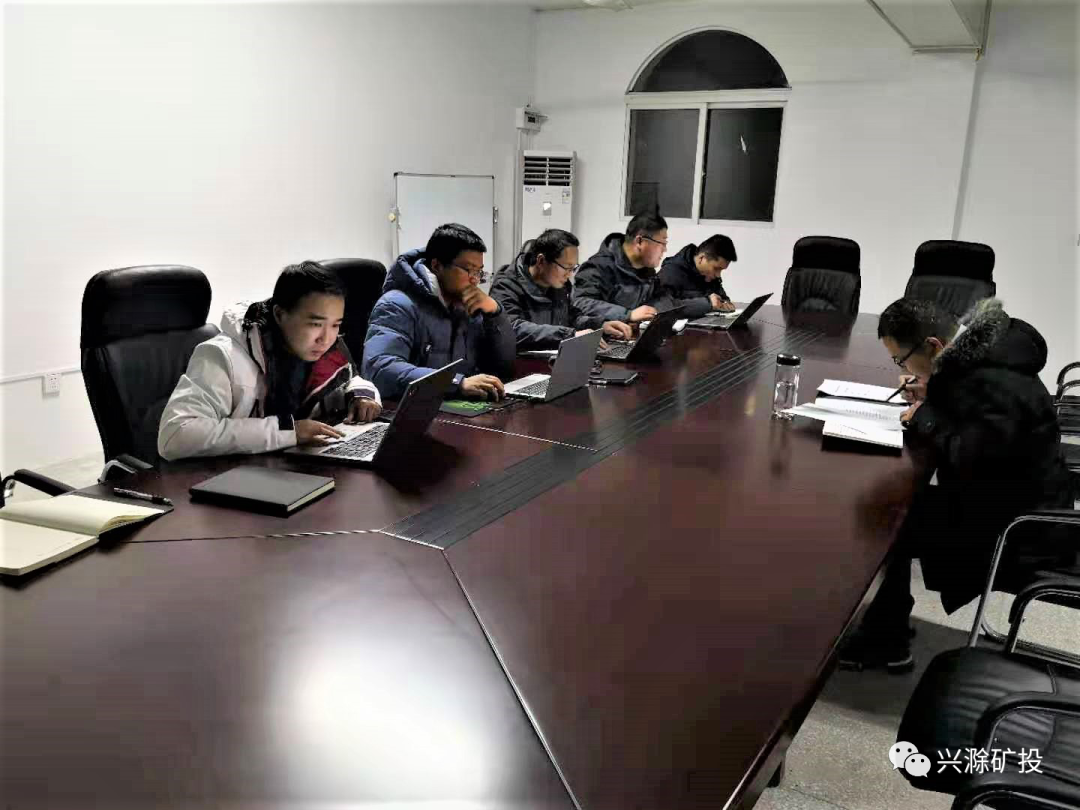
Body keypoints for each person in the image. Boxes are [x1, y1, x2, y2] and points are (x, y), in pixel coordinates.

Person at [840, 297, 1073, 672]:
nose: (902, 369)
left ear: (934, 345)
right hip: (1015, 502)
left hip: (1023, 531)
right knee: (896, 508)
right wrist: (934, 393)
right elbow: (981, 426)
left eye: (901, 360)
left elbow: (971, 456)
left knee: (888, 519)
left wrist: (926, 416)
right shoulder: (988, 357)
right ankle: (888, 624)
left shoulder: (994, 381)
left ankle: (886, 639)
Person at [159, 261, 382, 461]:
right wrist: (286, 431)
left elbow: (348, 379)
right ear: (279, 315)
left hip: (296, 469)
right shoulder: (221, 356)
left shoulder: (324, 348)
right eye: (315, 324)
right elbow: (176, 434)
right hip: (233, 479)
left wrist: (361, 395)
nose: (326, 338)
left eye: (335, 325)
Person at [363, 223, 515, 402]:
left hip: (458, 406)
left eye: (479, 271)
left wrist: (495, 314)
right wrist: (455, 383)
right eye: (468, 270)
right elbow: (379, 369)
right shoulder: (397, 305)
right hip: (415, 409)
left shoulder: (468, 306)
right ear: (437, 265)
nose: (475, 280)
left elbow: (504, 368)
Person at [489, 229, 633, 351]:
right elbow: (513, 329)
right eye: (567, 267)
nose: (569, 275)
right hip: (521, 366)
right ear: (541, 261)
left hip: (554, 361)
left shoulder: (559, 285)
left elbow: (572, 318)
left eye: (573, 268)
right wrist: (569, 335)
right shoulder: (506, 286)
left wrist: (600, 326)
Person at [571, 211, 669, 326]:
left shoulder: (646, 270)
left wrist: (658, 312)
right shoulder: (598, 267)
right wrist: (628, 315)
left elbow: (661, 298)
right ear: (639, 241)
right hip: (603, 335)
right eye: (662, 243)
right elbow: (580, 302)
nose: (665, 249)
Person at [658, 234, 738, 319]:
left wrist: (725, 303)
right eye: (716, 268)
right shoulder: (670, 272)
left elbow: (721, 298)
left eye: (721, 270)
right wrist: (708, 303)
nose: (718, 275)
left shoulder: (709, 275)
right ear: (702, 258)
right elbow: (663, 308)